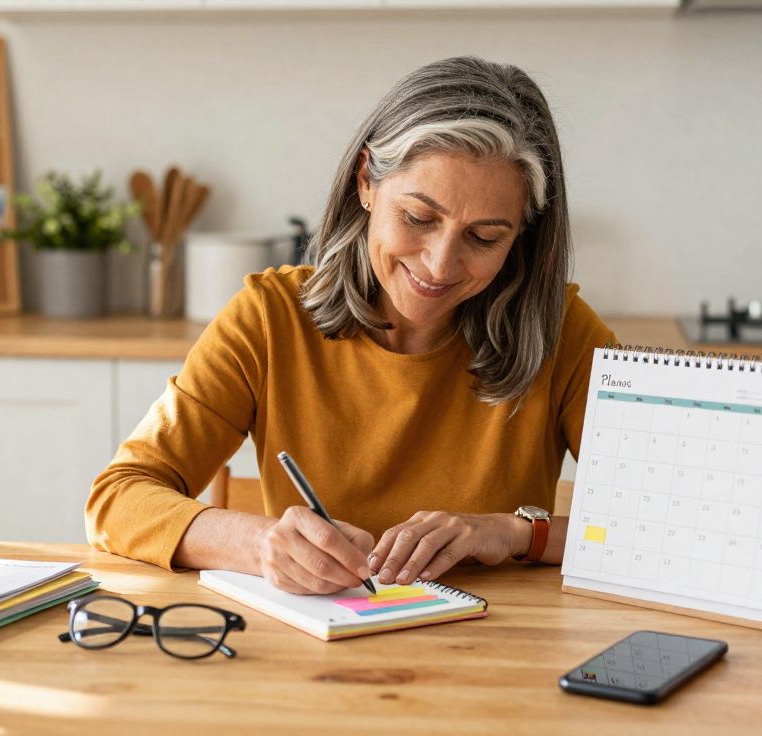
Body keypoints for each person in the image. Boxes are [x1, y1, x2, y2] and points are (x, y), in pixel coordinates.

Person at [86, 56, 617, 596]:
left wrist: (516, 533)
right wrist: (261, 544)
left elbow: (680, 539)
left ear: (521, 235)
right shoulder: (269, 320)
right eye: (418, 218)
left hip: (499, 653)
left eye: (484, 238)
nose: (439, 265)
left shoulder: (563, 333)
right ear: (366, 181)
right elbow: (118, 499)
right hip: (318, 654)